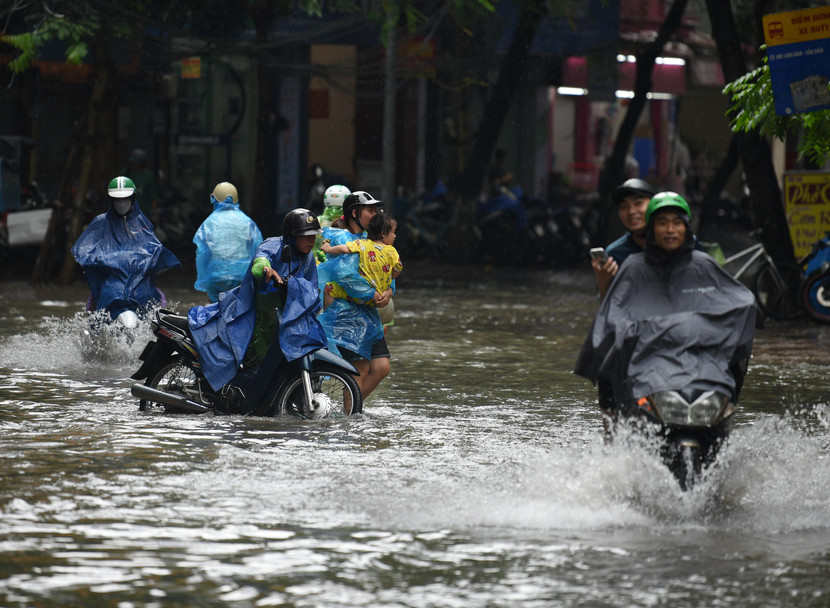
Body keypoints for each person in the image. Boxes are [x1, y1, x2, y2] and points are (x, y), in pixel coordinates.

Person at [575, 192, 757, 429]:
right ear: (652, 229)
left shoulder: (703, 263)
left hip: (698, 353)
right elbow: (613, 311)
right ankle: (615, 437)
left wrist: (710, 329)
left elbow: (739, 301)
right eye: (662, 223)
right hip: (649, 355)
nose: (670, 230)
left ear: (686, 228)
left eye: (676, 223)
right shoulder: (631, 265)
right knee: (610, 356)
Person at [187, 208, 322, 392]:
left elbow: (313, 289)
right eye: (306, 236)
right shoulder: (273, 245)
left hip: (281, 316)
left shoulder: (308, 258)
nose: (311, 240)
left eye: (313, 235)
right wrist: (267, 269)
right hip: (255, 312)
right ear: (291, 236)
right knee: (245, 354)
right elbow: (260, 261)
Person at [71, 176, 181, 325]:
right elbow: (84, 252)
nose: (121, 203)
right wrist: (110, 261)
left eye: (125, 198)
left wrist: (140, 260)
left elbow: (154, 248)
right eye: (117, 199)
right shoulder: (101, 222)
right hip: (111, 282)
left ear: (133, 198)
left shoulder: (142, 223)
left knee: (155, 309)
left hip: (138, 282)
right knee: (97, 312)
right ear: (111, 199)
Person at [317, 190, 393, 399]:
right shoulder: (343, 238)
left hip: (368, 315)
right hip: (347, 315)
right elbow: (345, 276)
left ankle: (350, 408)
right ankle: (350, 416)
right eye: (370, 210)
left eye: (376, 210)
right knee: (360, 371)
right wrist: (373, 294)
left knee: (381, 367)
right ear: (354, 214)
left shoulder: (372, 239)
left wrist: (388, 290)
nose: (375, 214)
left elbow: (386, 270)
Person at [193, 182, 263, 302]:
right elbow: (258, 249)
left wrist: (203, 278)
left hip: (216, 277)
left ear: (213, 199)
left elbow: (202, 254)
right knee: (241, 311)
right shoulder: (247, 222)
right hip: (243, 276)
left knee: (216, 312)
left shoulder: (208, 223)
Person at [320, 211, 402, 309]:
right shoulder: (392, 251)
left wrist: (329, 249)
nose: (395, 236)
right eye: (393, 232)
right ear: (383, 233)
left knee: (329, 289)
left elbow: (344, 249)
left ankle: (328, 316)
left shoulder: (362, 243)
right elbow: (398, 268)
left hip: (363, 296)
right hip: (381, 297)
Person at [592, 178, 656, 300]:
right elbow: (607, 309)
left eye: (638, 203)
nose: (631, 211)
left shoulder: (677, 243)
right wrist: (603, 281)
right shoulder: (615, 254)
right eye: (624, 206)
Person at [127, 148, 159, 222]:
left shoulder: (148, 176)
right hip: (128, 213)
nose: (134, 164)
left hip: (144, 214)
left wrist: (155, 214)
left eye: (136, 162)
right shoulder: (127, 174)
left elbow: (153, 197)